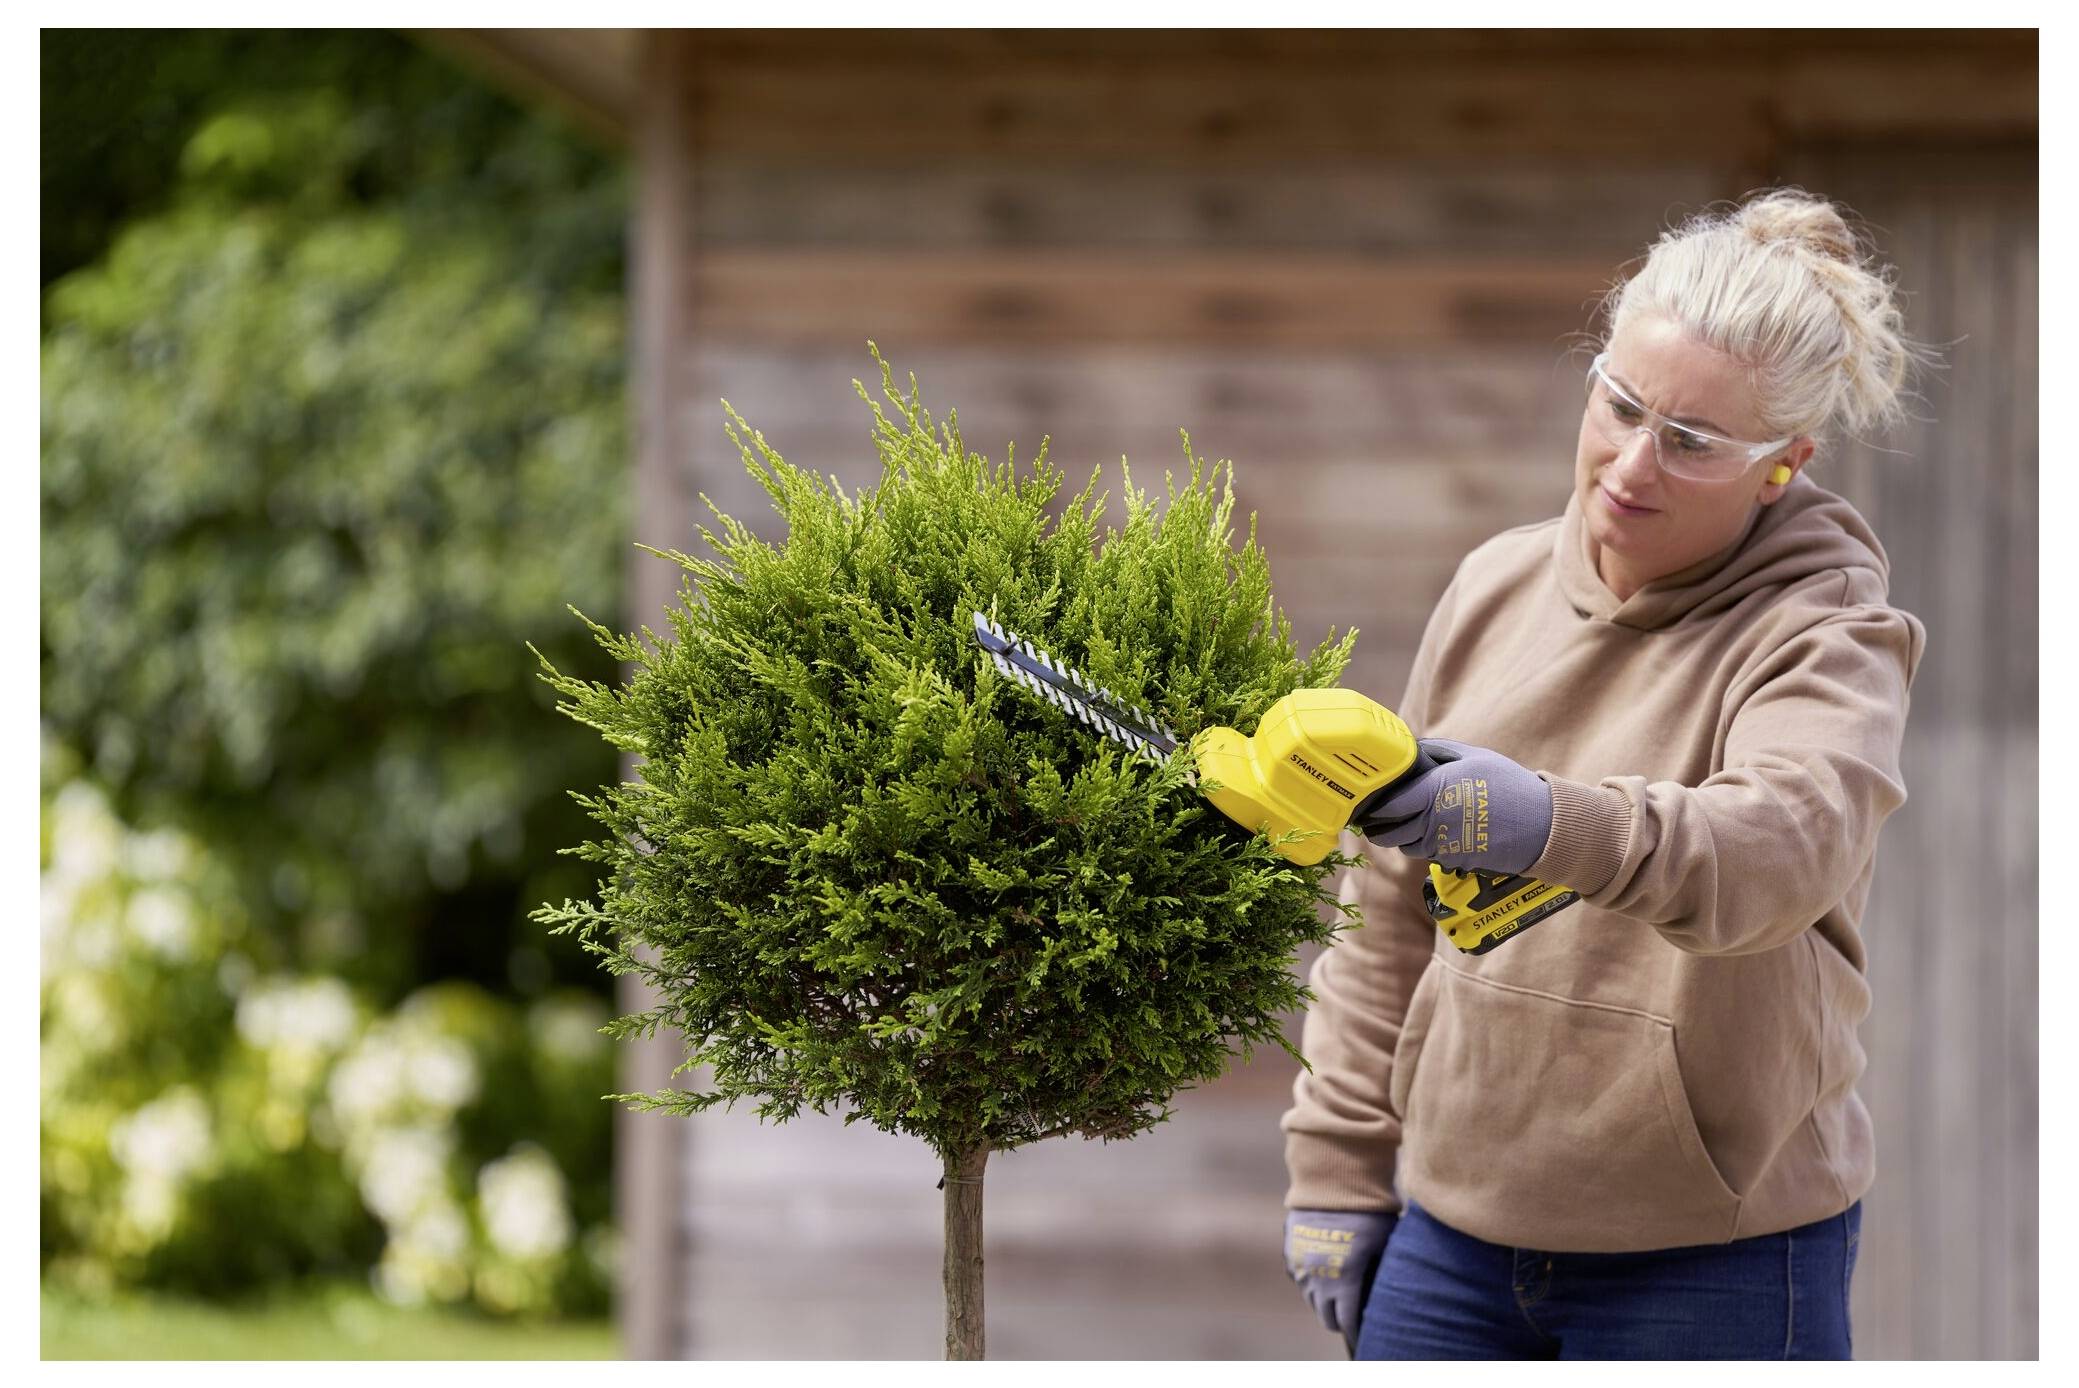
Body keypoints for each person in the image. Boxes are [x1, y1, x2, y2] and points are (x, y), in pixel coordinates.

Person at [1279, 187, 1934, 1360]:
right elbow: (1381, 915)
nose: (1632, 463)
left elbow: (1777, 850)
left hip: (1714, 1258)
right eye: (1619, 406)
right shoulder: (1492, 585)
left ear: (1784, 464)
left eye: (1690, 441)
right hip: (1452, 1233)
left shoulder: (1828, 629)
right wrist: (1335, 1167)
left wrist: (1538, 822)